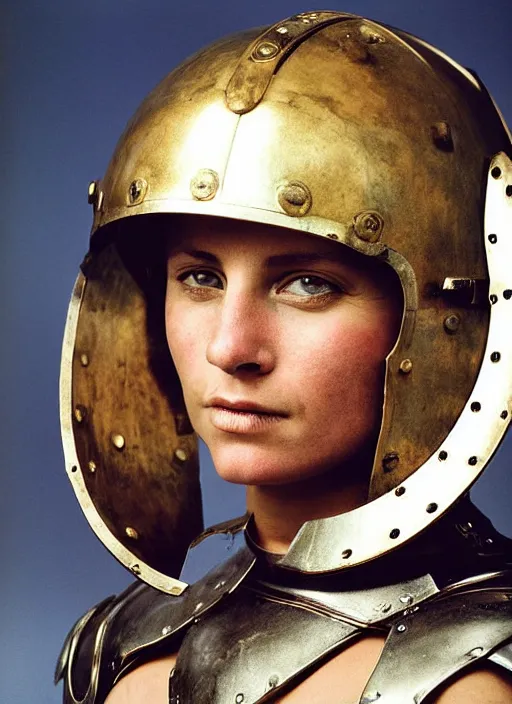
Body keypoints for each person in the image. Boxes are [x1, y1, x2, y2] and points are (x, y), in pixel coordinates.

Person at [55, 10, 512, 704]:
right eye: (200, 278)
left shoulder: (480, 674)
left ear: (444, 320)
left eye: (308, 285)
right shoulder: (118, 648)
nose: (231, 347)